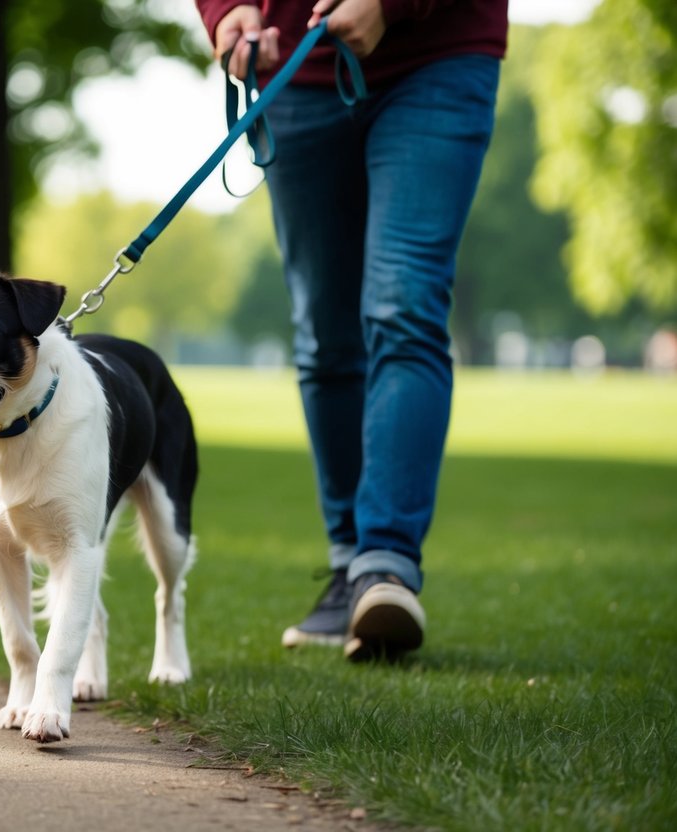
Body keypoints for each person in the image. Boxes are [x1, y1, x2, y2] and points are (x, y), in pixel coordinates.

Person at [195, 0, 509, 661]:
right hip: (293, 72)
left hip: (438, 59)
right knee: (323, 333)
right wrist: (227, 12)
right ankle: (349, 570)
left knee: (403, 306)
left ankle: (385, 564)